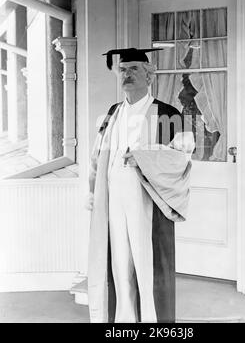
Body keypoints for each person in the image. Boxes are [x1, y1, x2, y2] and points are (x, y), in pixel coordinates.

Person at [86, 48, 194, 323]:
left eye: (134, 69)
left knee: (147, 264)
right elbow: (98, 155)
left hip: (147, 199)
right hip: (114, 199)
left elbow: (183, 157)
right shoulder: (113, 113)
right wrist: (92, 191)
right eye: (123, 70)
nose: (127, 74)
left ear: (149, 75)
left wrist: (143, 157)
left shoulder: (167, 113)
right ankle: (124, 322)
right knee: (120, 264)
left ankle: (152, 323)